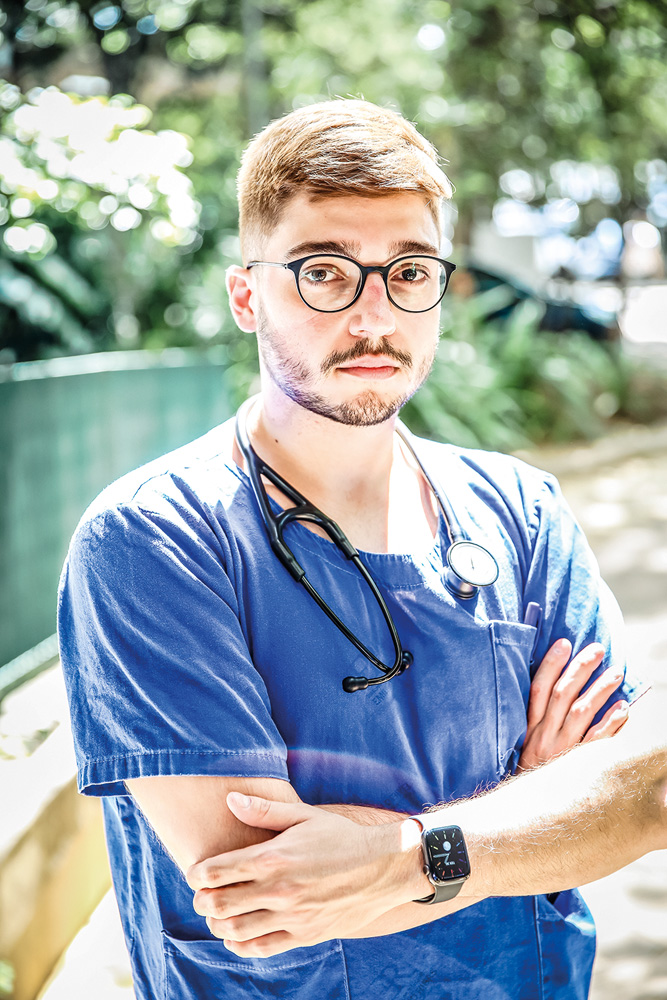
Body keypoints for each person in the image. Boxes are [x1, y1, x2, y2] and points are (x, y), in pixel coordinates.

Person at [58, 99, 655, 1000]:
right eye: (325, 272)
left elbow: (642, 794)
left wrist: (403, 854)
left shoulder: (520, 511)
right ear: (247, 293)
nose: (375, 313)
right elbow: (263, 892)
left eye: (408, 271)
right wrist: (534, 795)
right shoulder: (153, 540)